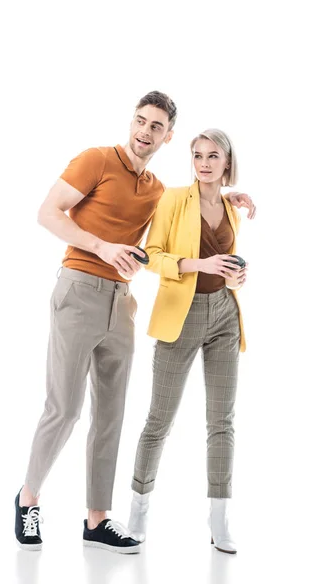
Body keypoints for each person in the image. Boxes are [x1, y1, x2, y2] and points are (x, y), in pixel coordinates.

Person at [14, 93, 255, 554]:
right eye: (140, 121)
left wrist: (227, 195)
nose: (145, 131)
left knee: (111, 415)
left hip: (121, 303)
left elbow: (185, 213)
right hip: (79, 288)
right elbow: (47, 213)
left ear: (168, 137)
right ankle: (28, 499)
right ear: (133, 122)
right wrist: (102, 248)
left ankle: (97, 519)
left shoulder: (156, 189)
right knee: (64, 409)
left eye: (156, 126)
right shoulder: (96, 160)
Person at [128, 128, 251, 555]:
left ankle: (220, 523)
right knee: (159, 420)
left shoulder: (232, 207)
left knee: (222, 422)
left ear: (227, 162)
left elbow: (228, 262)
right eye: (197, 155)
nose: (203, 162)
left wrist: (237, 273)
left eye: (213, 155)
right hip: (181, 317)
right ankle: (137, 514)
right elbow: (152, 256)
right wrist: (200, 263)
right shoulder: (174, 199)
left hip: (224, 315)